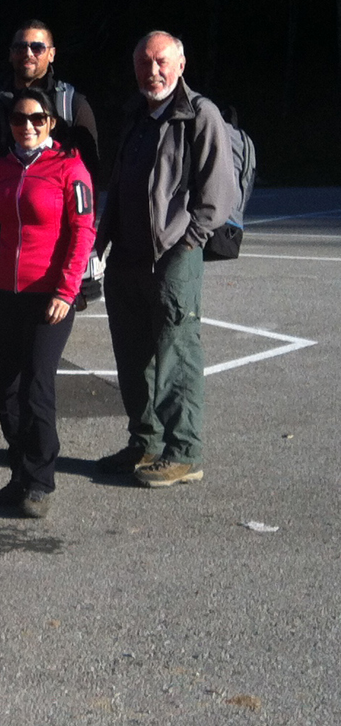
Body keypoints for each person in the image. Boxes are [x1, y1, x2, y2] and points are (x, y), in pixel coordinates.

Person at [0, 19, 102, 463]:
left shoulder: (71, 103)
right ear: (9, 53)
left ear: (51, 53)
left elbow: (88, 191)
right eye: (19, 47)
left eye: (36, 46)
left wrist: (73, 274)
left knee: (35, 367)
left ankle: (34, 463)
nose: (27, 54)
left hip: (49, 256)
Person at [93, 31, 237, 487]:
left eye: (160, 62)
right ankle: (146, 442)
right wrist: (101, 242)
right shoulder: (136, 115)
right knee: (133, 356)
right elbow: (118, 186)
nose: (151, 71)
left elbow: (219, 196)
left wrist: (189, 241)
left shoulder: (199, 115)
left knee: (176, 355)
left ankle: (184, 452)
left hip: (174, 257)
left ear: (180, 65)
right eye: (143, 63)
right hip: (128, 258)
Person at [0, 90, 96, 517]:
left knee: (37, 388)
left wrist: (66, 290)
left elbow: (83, 232)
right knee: (9, 391)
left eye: (37, 119)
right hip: (3, 292)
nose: (27, 127)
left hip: (49, 298)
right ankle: (19, 471)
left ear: (51, 123)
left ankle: (39, 480)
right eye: (20, 119)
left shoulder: (69, 168)